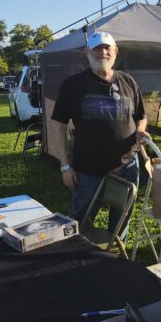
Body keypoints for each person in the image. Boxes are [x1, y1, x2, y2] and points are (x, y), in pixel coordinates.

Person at [49, 32, 147, 230]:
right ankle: (79, 255)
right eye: (96, 48)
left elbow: (141, 116)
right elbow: (59, 126)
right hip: (88, 170)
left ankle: (115, 256)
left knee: (122, 218)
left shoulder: (128, 81)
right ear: (87, 52)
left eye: (107, 48)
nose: (102, 52)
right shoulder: (73, 85)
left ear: (115, 52)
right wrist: (65, 166)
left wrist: (140, 131)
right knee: (81, 220)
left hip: (127, 167)